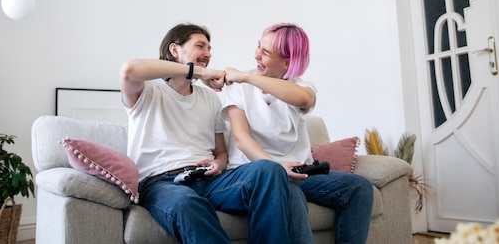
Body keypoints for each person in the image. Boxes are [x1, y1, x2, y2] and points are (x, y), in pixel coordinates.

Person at [120, 23, 309, 244]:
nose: (208, 54)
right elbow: (129, 70)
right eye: (200, 46)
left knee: (269, 169)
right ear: (174, 50)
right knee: (186, 202)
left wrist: (219, 164)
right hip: (163, 184)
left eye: (210, 49)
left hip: (210, 181)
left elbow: (221, 151)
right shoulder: (147, 92)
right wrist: (200, 72)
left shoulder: (209, 98)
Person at [222, 22, 374, 244]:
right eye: (258, 47)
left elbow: (304, 99)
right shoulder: (237, 87)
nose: (256, 56)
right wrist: (277, 169)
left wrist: (246, 76)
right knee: (289, 194)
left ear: (287, 61)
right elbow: (241, 139)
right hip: (259, 173)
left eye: (265, 53)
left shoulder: (300, 87)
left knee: (359, 187)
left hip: (301, 173)